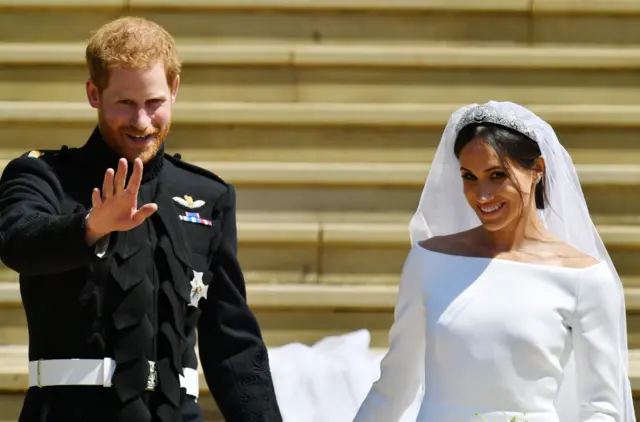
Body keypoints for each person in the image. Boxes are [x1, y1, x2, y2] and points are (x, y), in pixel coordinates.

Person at [0, 17, 282, 422]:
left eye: (154, 103)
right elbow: (18, 242)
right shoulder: (43, 176)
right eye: (125, 104)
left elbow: (233, 344)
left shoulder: (207, 196)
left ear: (175, 90)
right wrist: (90, 227)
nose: (142, 122)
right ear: (93, 94)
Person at [352, 101, 635, 422]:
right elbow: (395, 384)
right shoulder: (428, 261)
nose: (481, 194)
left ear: (537, 170)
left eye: (497, 175)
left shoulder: (587, 278)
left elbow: (603, 409)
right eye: (469, 176)